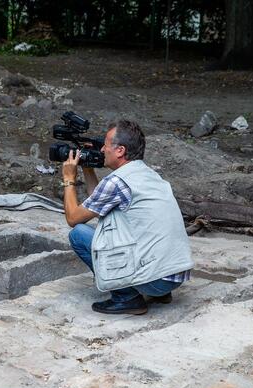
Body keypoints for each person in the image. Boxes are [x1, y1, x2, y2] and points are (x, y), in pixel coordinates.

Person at [61, 120, 194, 315]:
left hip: (154, 280)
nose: (102, 149)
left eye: (106, 144)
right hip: (173, 276)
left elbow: (73, 217)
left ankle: (126, 297)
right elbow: (97, 201)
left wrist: (68, 179)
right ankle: (157, 294)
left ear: (120, 150)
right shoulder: (148, 174)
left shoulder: (117, 182)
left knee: (79, 234)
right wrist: (87, 167)